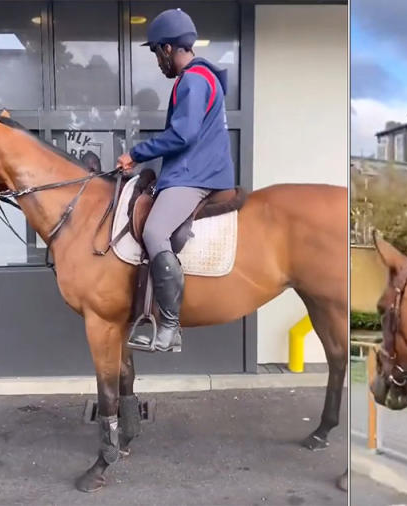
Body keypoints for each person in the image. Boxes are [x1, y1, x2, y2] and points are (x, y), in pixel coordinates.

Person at [116, 8, 234, 353]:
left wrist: (136, 154)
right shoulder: (202, 78)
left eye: (156, 52)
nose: (157, 61)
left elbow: (183, 135)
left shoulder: (193, 80)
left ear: (168, 48)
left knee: (154, 231)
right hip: (197, 170)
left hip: (195, 175)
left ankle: (169, 327)